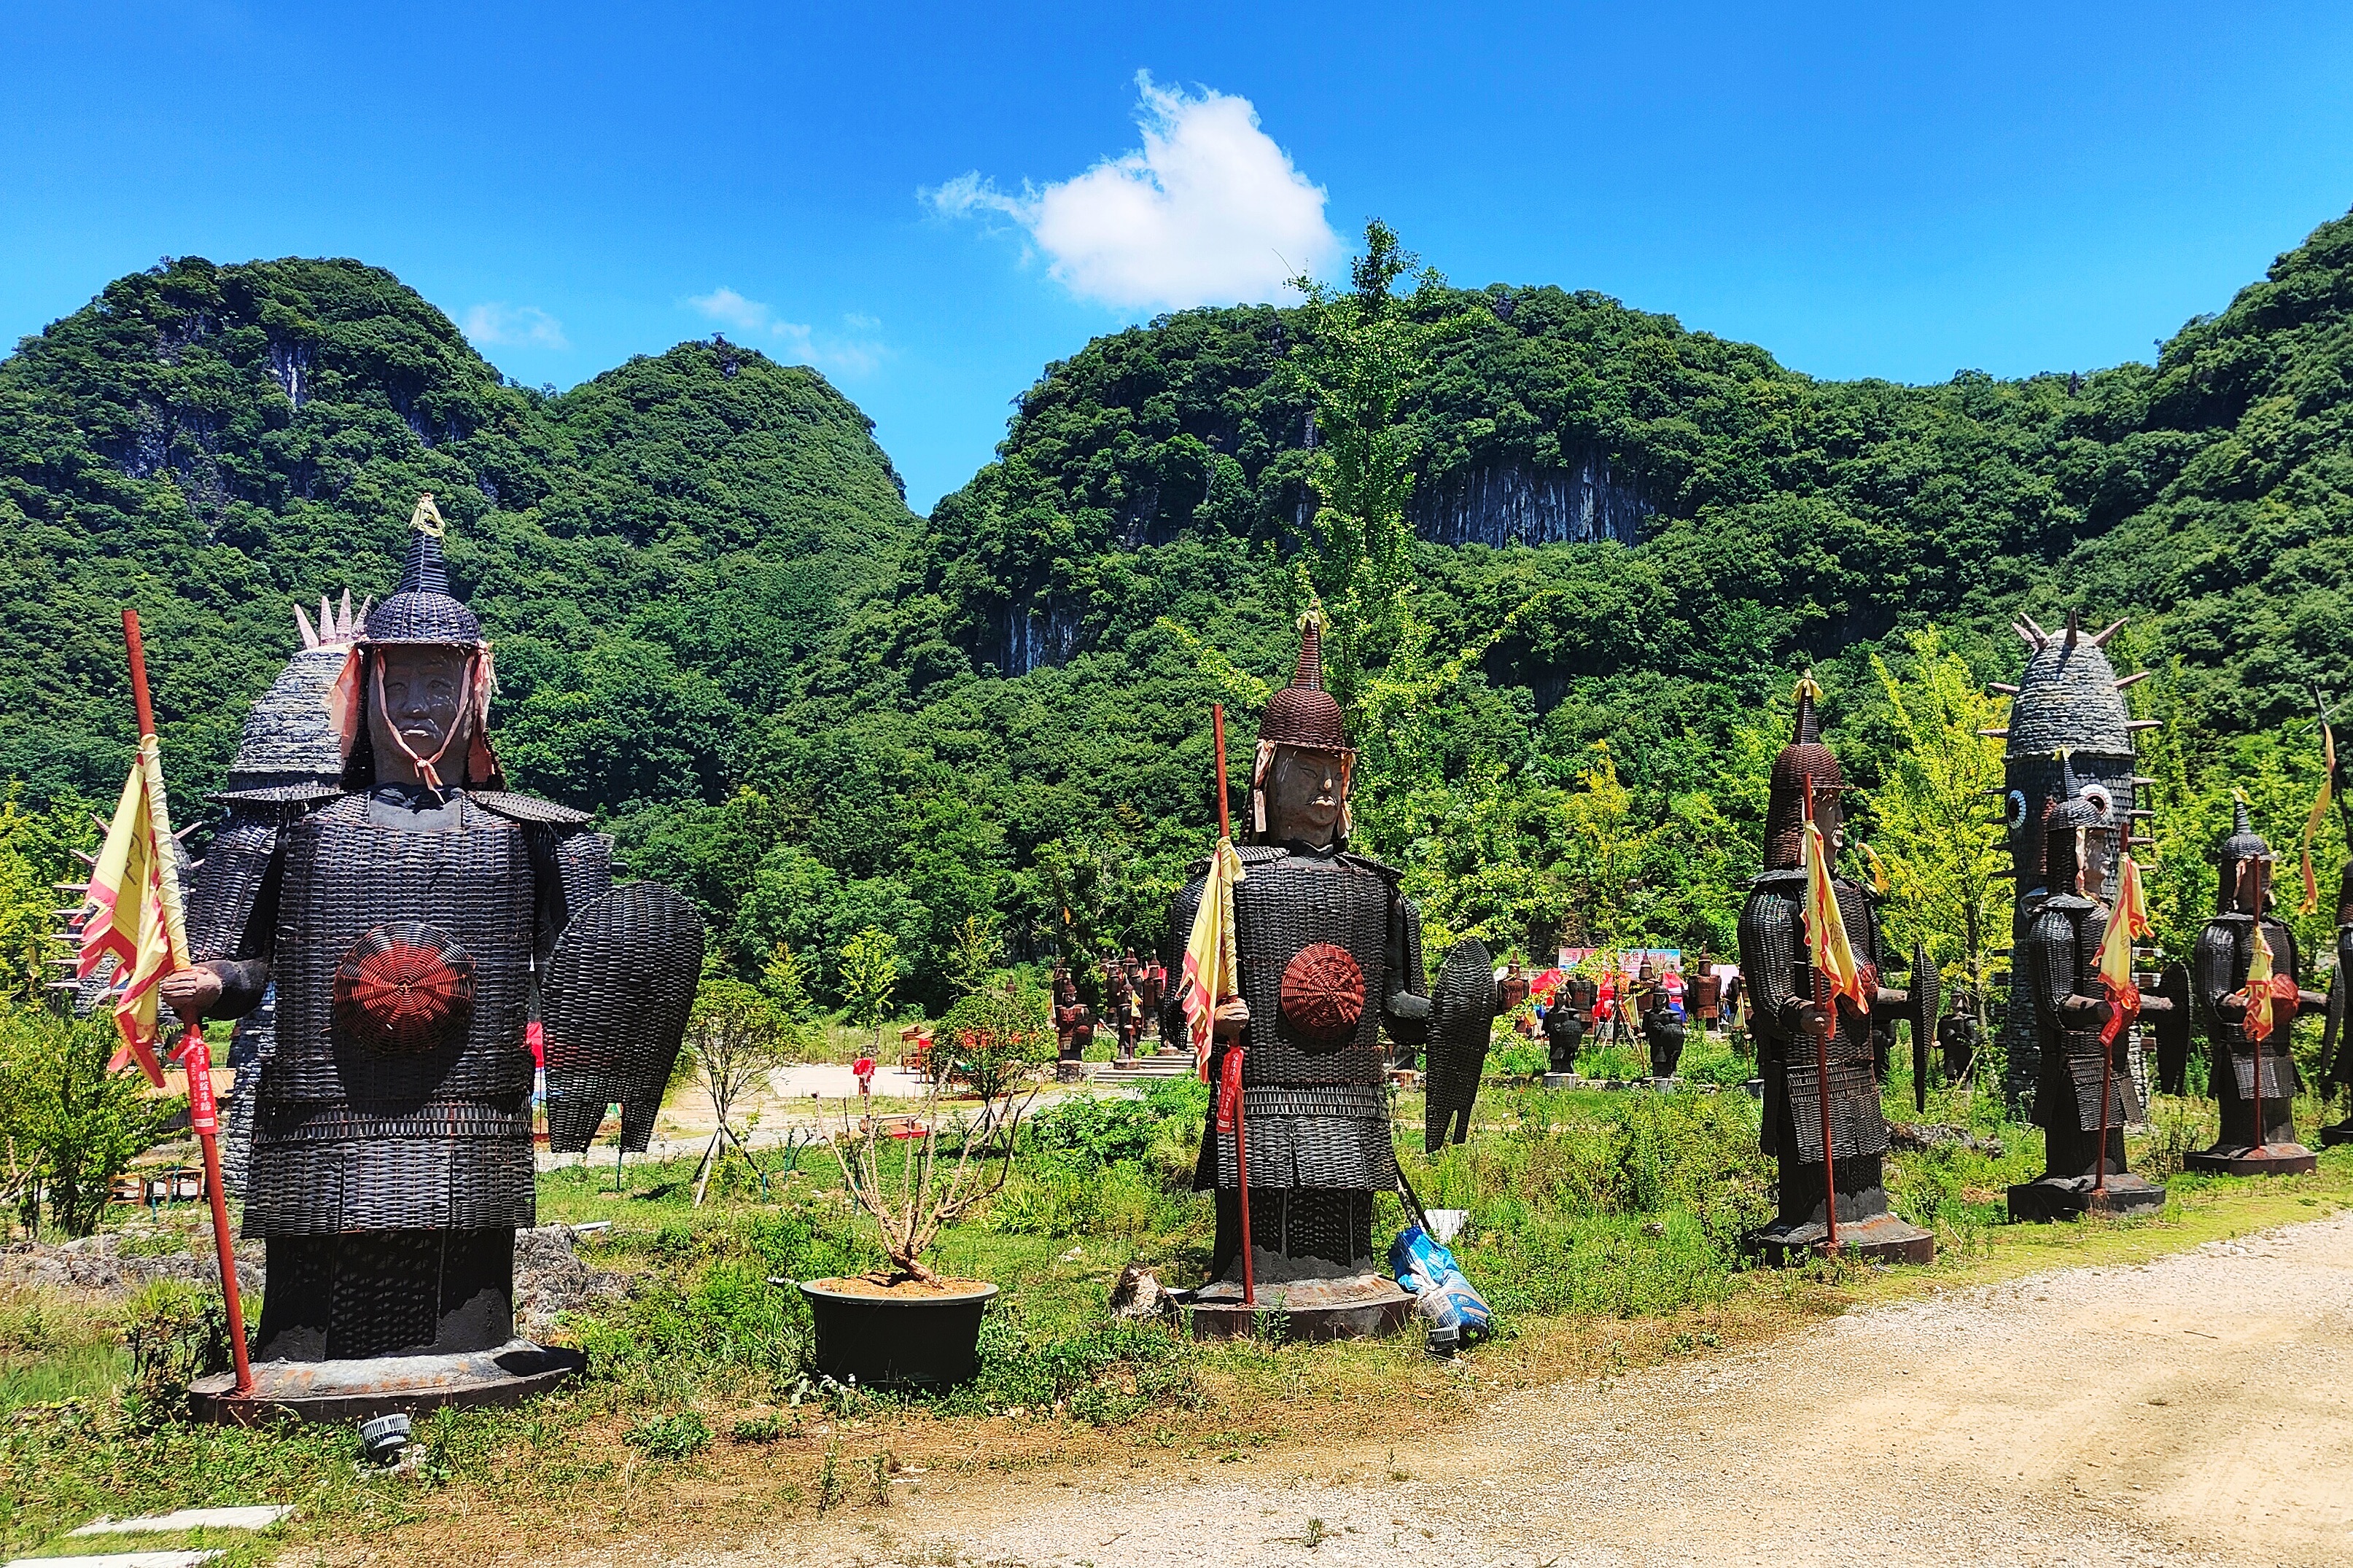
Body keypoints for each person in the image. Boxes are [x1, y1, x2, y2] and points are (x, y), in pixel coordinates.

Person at [157, 498, 701, 1400]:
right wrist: (213, 979)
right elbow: (255, 966)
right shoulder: (293, 827)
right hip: (324, 1097)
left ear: (473, 691)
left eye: (438, 687)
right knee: (307, 1302)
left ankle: (465, 1356)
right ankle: (303, 1369)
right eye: (400, 685)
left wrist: (607, 1026)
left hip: (468, 1103)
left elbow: (586, 972)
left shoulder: (535, 834)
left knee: (467, 1292)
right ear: (365, 688)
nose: (419, 707)